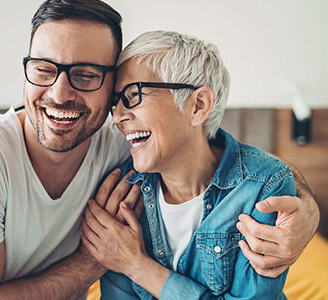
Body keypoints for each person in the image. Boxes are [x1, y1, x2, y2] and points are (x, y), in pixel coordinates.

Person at [0, 0, 319, 299]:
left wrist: (307, 213)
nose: (60, 92)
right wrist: (99, 260)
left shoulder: (126, 152)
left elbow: (221, 157)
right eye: (44, 69)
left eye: (86, 74)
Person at [81, 30, 299, 299]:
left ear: (198, 106)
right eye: (116, 103)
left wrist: (138, 267)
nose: (118, 116)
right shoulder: (122, 191)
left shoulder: (263, 187)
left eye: (133, 94)